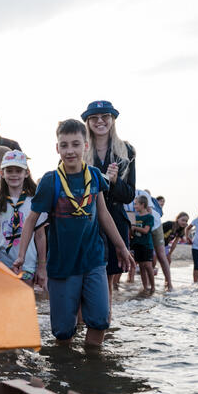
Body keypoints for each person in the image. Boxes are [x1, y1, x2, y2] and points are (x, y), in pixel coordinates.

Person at [13, 119, 133, 348]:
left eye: (75, 144)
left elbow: (104, 214)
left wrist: (121, 246)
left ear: (85, 146)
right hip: (62, 265)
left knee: (99, 321)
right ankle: (66, 374)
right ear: (57, 148)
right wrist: (21, 255)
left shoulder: (95, 176)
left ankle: (92, 372)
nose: (70, 151)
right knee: (63, 332)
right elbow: (30, 221)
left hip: (94, 260)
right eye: (64, 145)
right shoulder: (51, 181)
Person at [82, 100, 136, 305]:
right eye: (94, 117)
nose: (100, 121)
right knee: (82, 280)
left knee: (107, 285)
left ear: (112, 120)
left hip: (115, 220)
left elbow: (129, 195)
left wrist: (115, 182)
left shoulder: (127, 150)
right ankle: (79, 331)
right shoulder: (80, 147)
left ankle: (105, 332)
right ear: (88, 122)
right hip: (86, 221)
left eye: (105, 116)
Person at [0, 150, 45, 286]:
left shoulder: (34, 202)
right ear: (2, 173)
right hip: (3, 262)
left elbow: (40, 236)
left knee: (25, 303)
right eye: (9, 170)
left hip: (27, 263)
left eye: (18, 171)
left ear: (26, 173)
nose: (14, 175)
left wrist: (42, 266)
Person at [137, 189, 172, 291]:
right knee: (144, 260)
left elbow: (150, 211)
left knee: (161, 255)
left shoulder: (141, 194)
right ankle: (147, 286)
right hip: (141, 228)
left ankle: (169, 284)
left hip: (154, 226)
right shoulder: (123, 193)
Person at [130, 195, 155, 293]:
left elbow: (146, 230)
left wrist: (134, 227)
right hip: (137, 244)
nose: (134, 206)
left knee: (148, 266)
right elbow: (132, 233)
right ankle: (145, 287)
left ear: (142, 204)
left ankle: (153, 287)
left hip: (146, 245)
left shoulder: (149, 217)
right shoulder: (134, 217)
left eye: (136, 204)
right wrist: (131, 230)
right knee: (141, 267)